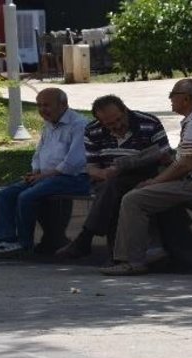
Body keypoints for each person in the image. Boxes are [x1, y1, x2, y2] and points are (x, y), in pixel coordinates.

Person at [99, 78, 192, 276]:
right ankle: (152, 250)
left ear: (186, 99)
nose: (170, 99)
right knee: (141, 190)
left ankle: (132, 261)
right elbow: (184, 160)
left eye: (173, 95)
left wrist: (155, 182)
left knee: (134, 199)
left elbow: (186, 165)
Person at [53, 95, 171, 260]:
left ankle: (87, 239)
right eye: (109, 124)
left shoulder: (148, 122)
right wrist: (104, 173)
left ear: (124, 110)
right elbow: (91, 168)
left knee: (114, 189)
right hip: (107, 179)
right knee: (113, 189)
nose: (116, 126)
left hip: (143, 176)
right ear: (100, 122)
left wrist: (146, 160)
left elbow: (166, 156)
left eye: (118, 120)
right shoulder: (93, 130)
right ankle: (115, 256)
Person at [0, 88, 90, 257]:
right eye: (39, 105)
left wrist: (43, 176)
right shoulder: (48, 125)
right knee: (6, 194)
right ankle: (6, 241)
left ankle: (24, 245)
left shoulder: (79, 125)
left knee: (27, 197)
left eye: (46, 105)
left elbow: (73, 162)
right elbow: (38, 153)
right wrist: (35, 172)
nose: (41, 110)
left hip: (73, 178)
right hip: (45, 177)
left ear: (63, 104)